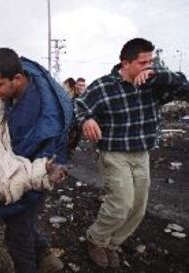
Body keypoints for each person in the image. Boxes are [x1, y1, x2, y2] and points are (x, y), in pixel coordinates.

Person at [74, 38, 189, 268]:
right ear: (124, 63)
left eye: (151, 61)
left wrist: (159, 76)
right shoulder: (104, 86)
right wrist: (86, 119)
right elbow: (78, 107)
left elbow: (184, 88)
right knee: (121, 204)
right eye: (142, 62)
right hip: (114, 153)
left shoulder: (155, 81)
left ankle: (112, 242)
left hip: (142, 153)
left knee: (138, 206)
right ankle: (96, 239)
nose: (149, 66)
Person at [0, 48, 73, 273]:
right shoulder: (24, 76)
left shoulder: (35, 119)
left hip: (41, 170)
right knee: (24, 221)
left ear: (17, 78)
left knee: (17, 232)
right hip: (31, 164)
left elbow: (24, 175)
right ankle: (45, 254)